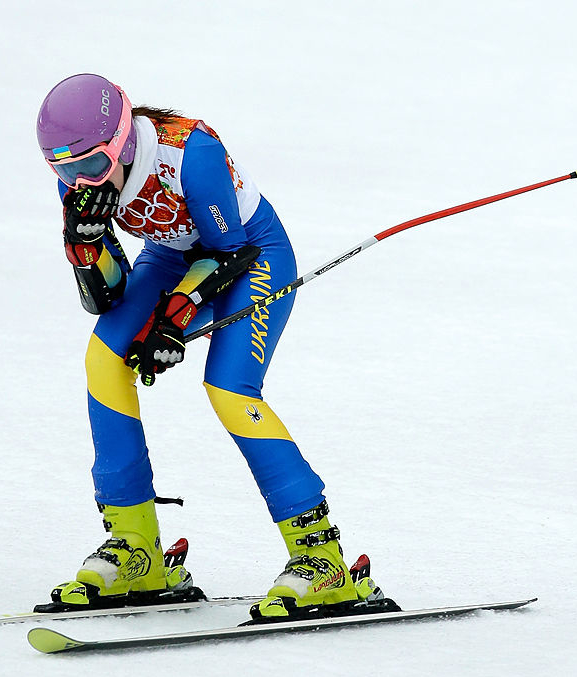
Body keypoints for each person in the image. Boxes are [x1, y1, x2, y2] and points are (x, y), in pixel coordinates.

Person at [35, 73, 386, 620]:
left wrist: (172, 322)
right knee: (103, 362)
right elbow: (108, 294)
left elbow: (229, 252)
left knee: (228, 386)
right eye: (64, 170)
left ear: (125, 143)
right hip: (173, 257)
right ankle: (136, 548)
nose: (80, 181)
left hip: (251, 254)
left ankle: (321, 559)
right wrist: (85, 244)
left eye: (93, 167)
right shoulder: (79, 178)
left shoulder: (190, 152)